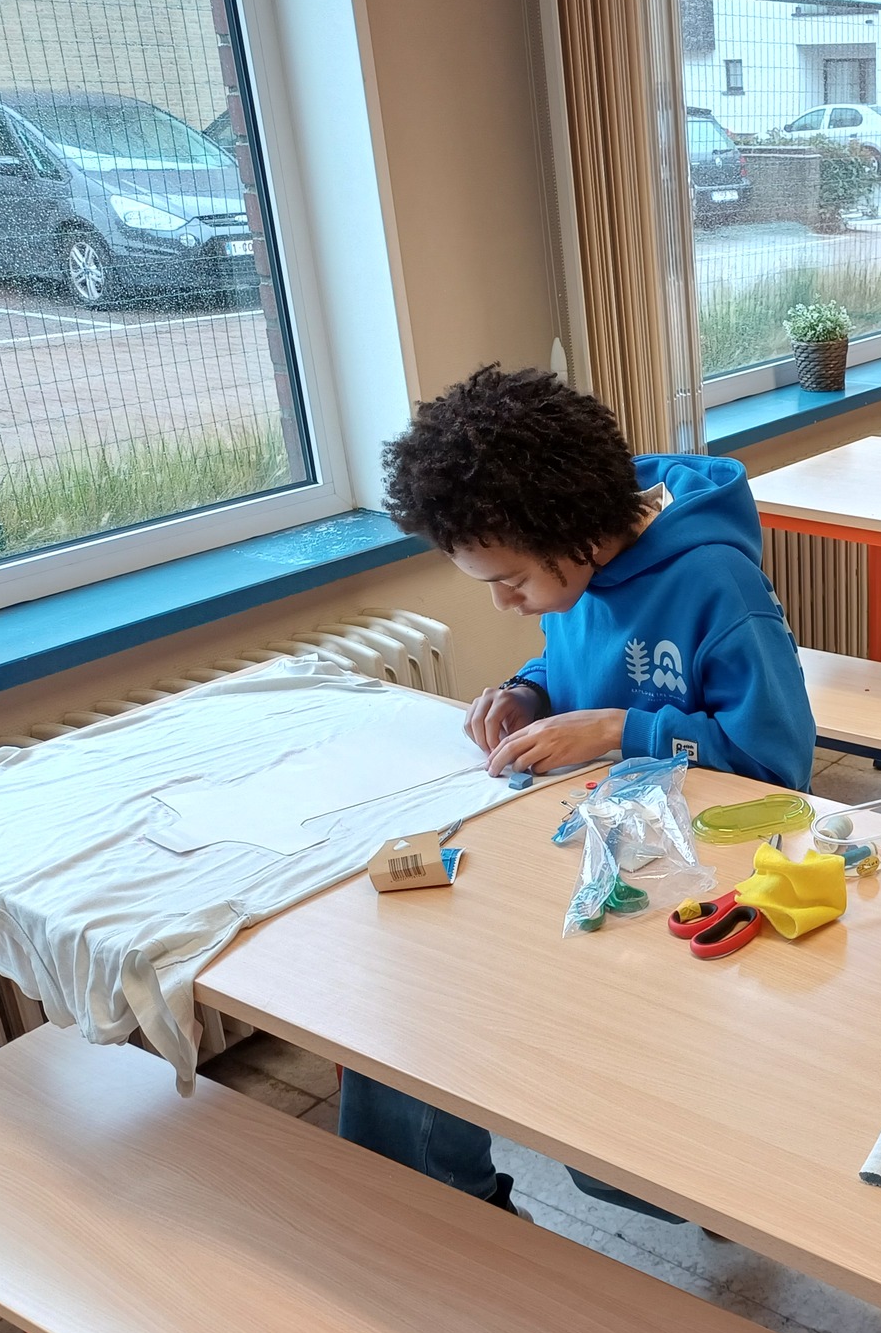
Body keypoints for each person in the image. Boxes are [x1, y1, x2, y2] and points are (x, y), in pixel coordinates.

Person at [338, 364, 816, 1221]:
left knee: (613, 1162)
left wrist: (617, 729)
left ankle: (689, 1169)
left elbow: (777, 768)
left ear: (577, 536)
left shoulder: (716, 585)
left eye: (510, 580)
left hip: (683, 873)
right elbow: (574, 660)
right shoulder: (577, 562)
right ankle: (435, 1219)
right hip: (577, 839)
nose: (505, 603)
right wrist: (529, 691)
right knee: (409, 990)